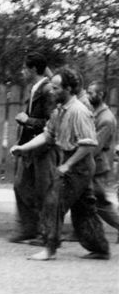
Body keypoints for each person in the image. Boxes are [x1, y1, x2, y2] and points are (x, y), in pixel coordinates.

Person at [10, 68, 110, 261]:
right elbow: (47, 135)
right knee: (84, 209)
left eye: (56, 88)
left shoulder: (78, 111)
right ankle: (100, 248)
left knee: (53, 201)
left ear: (69, 89)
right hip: (72, 161)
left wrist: (68, 165)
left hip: (79, 164)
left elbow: (88, 144)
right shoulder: (59, 111)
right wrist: (23, 148)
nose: (52, 91)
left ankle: (50, 248)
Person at [11, 52, 57, 243]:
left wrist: (27, 120)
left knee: (44, 190)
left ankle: (48, 234)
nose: (22, 72)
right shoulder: (35, 89)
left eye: (25, 68)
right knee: (20, 185)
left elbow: (52, 123)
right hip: (30, 147)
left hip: (43, 148)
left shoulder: (48, 90)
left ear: (33, 69)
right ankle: (29, 229)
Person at [87, 81, 119, 240]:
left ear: (100, 95)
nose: (88, 95)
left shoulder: (106, 119)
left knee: (100, 203)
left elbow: (95, 146)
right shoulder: (94, 112)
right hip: (92, 164)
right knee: (88, 201)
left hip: (98, 166)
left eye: (91, 93)